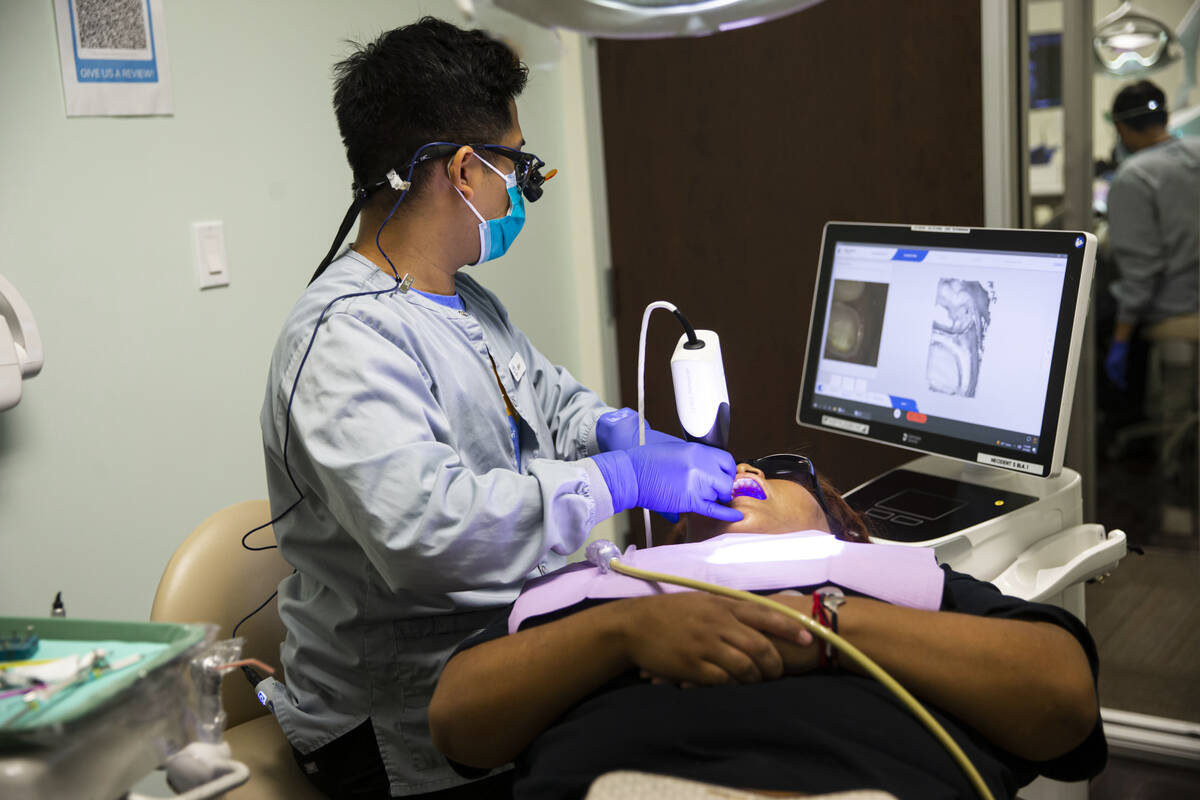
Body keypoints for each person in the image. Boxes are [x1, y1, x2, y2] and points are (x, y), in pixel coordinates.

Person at [258, 18, 744, 799]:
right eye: (519, 165)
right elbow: (430, 536)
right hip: (408, 724)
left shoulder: (461, 300)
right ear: (462, 170)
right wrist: (619, 482)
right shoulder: (345, 343)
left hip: (505, 657)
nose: (524, 187)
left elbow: (546, 396)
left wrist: (613, 431)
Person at [429, 455, 1107, 799]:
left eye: (780, 470)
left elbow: (1061, 697)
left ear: (847, 524)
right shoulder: (605, 584)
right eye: (725, 471)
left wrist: (823, 621)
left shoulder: (896, 582)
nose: (744, 470)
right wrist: (627, 631)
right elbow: (458, 721)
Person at [1103, 80, 1200, 391]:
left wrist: (1120, 338)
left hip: (1176, 313)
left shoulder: (1134, 176)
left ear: (1120, 127)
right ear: (1166, 117)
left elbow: (1142, 272)